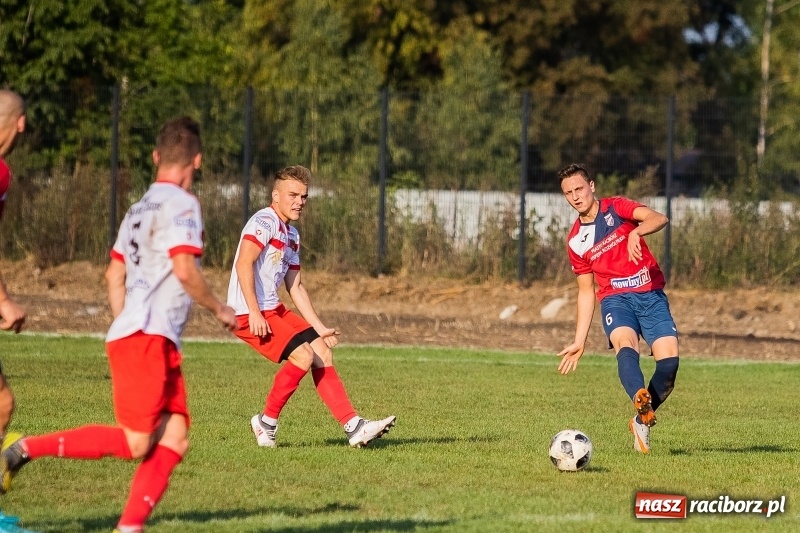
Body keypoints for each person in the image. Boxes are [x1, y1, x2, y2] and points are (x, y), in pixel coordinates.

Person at [0, 116, 237, 533]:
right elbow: (184, 269)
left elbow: (114, 275)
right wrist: (220, 309)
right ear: (196, 161)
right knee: (136, 442)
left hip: (142, 334)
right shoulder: (183, 205)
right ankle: (23, 449)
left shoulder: (137, 207)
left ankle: (130, 527)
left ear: (155, 157)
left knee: (175, 436)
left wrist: (125, 322)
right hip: (148, 338)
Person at [228, 165, 395, 448]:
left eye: (304, 197)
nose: (299, 202)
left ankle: (354, 427)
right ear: (276, 195)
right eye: (293, 195)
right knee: (304, 357)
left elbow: (296, 286)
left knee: (322, 353)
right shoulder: (264, 222)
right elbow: (244, 263)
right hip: (248, 312)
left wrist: (319, 327)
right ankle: (266, 422)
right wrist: (254, 312)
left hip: (274, 308)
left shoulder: (291, 235)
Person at [556, 163, 680, 455]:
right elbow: (586, 291)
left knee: (669, 364)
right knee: (626, 344)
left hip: (651, 295)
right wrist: (579, 340)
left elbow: (659, 218)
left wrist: (637, 233)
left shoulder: (617, 208)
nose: (575, 196)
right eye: (568, 193)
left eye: (579, 188)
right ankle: (638, 394)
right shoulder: (576, 240)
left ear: (592, 186)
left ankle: (641, 420)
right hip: (616, 300)